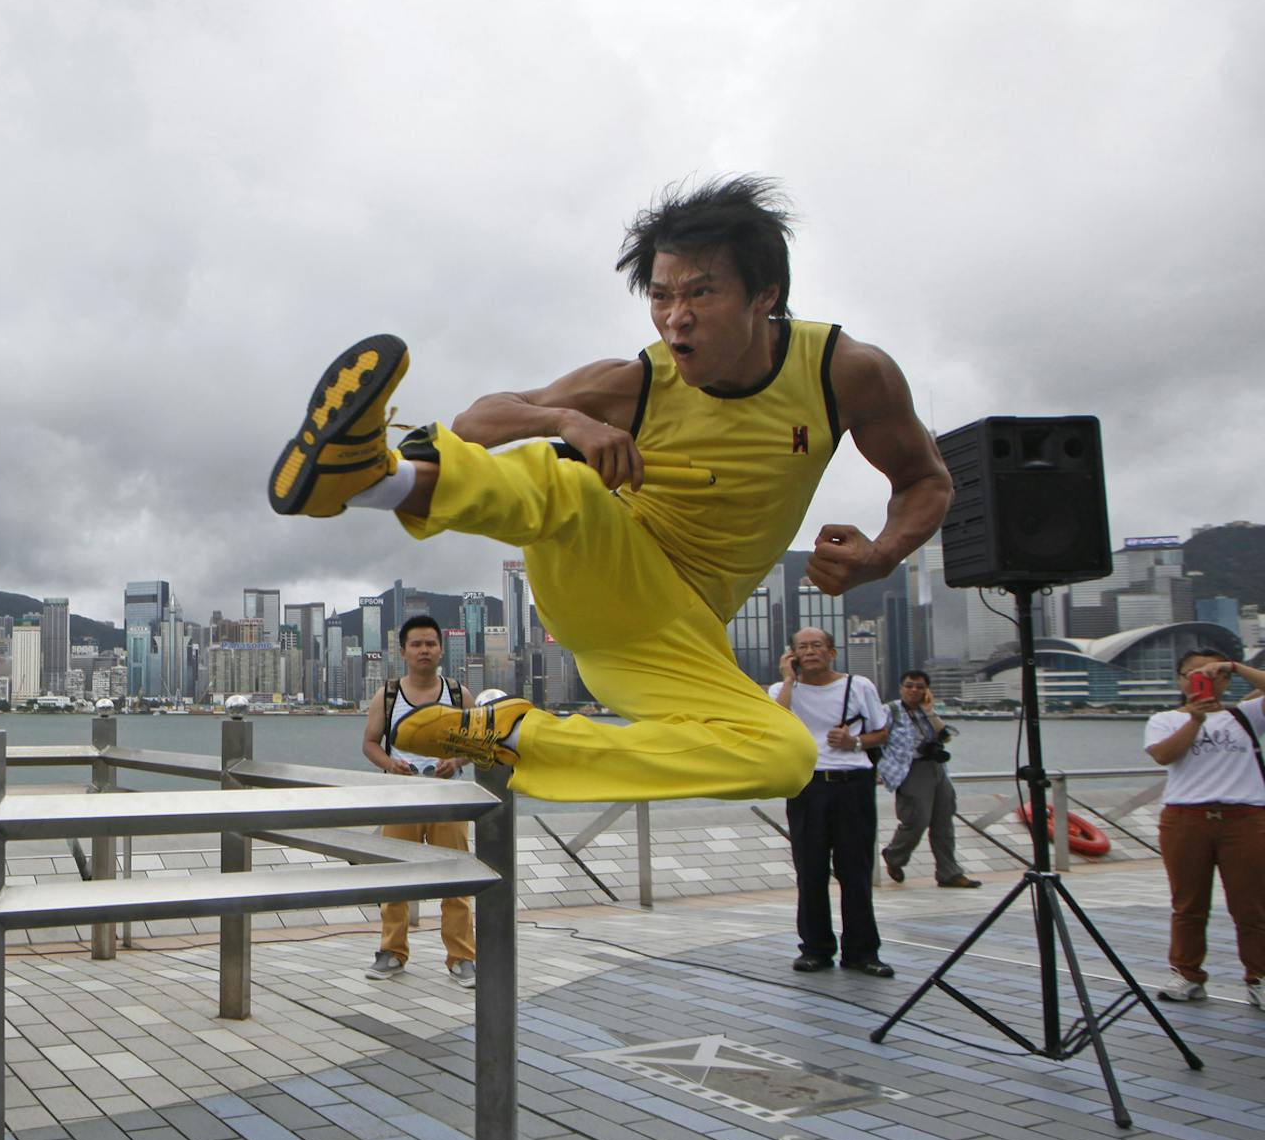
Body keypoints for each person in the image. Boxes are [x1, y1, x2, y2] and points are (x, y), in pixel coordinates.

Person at [264, 176, 951, 813]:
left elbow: (926, 481)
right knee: (566, 482)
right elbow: (479, 419)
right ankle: (370, 477)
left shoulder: (844, 373)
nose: (675, 319)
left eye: (701, 294)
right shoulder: (639, 382)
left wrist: (882, 555)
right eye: (660, 295)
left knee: (784, 756)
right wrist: (566, 419)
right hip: (610, 569)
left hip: (678, 639)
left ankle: (511, 735)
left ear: (765, 294)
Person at [360, 616, 478, 988]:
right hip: (401, 799)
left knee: (455, 880)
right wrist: (390, 765)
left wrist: (456, 761)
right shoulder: (389, 695)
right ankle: (392, 951)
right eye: (417, 645)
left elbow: (477, 744)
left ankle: (462, 957)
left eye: (430, 643)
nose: (424, 650)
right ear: (404, 652)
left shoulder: (459, 694)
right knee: (395, 878)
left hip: (449, 800)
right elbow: (369, 743)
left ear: (441, 649)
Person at [1145, 650, 1265, 1009]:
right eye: (1190, 674)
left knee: (1252, 905)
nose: (1199, 679)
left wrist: (1236, 666)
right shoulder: (1164, 719)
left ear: (1225, 680)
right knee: (1188, 904)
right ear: (1180, 680)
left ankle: (1259, 977)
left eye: (1210, 674)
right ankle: (1187, 974)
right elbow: (1164, 755)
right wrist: (1195, 720)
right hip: (1185, 818)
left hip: (1245, 817)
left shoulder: (1246, 714)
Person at [771, 629, 891, 975]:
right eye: (802, 647)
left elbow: (881, 733)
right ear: (791, 654)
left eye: (817, 646)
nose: (810, 652)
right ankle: (815, 948)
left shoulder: (860, 686)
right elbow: (776, 727)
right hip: (808, 786)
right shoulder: (781, 692)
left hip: (852, 785)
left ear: (832, 652)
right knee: (810, 870)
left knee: (856, 870)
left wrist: (853, 742)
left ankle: (863, 951)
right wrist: (790, 681)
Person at [876, 669, 981, 889]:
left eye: (920, 687)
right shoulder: (890, 710)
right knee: (917, 819)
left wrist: (930, 712)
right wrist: (878, 769)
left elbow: (946, 737)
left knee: (944, 820)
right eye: (909, 685)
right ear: (901, 687)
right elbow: (876, 739)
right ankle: (894, 856)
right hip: (909, 769)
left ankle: (949, 873)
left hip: (937, 768)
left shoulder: (927, 711)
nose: (914, 690)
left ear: (926, 690)